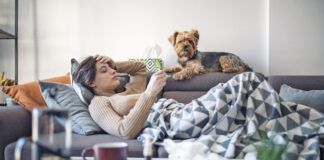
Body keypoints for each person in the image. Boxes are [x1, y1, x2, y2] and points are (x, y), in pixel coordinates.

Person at [73, 55, 167, 139]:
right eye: (104, 70)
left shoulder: (132, 90)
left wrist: (114, 65)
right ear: (91, 82)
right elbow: (124, 131)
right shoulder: (98, 103)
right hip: (167, 120)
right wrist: (149, 94)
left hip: (172, 109)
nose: (113, 71)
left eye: (111, 68)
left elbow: (140, 67)